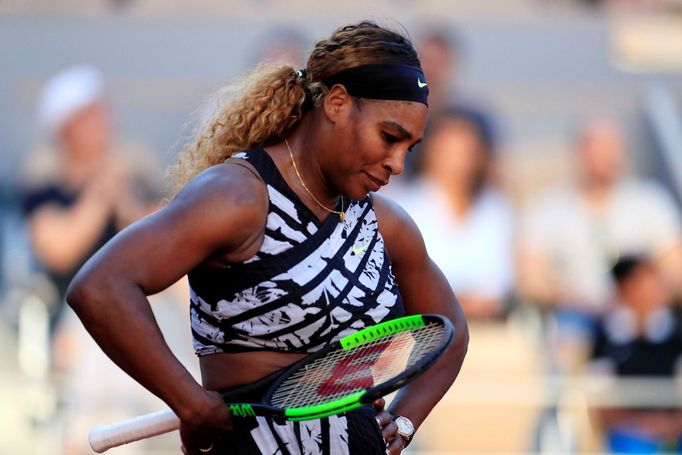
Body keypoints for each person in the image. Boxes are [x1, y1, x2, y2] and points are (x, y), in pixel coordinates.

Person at [66, 21, 469, 455]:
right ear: (336, 103)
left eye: (408, 147)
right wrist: (188, 400)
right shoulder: (237, 196)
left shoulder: (387, 224)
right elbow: (101, 287)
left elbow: (450, 330)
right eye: (388, 137)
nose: (397, 164)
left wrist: (405, 422)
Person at [517, 117, 682, 372]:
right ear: (578, 152)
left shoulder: (650, 204)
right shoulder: (549, 209)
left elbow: (675, 270)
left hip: (642, 315)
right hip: (575, 317)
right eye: (594, 146)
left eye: (610, 146)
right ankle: (567, 411)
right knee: (565, 347)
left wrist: (641, 299)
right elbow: (531, 277)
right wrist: (574, 299)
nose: (602, 156)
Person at [23, 64, 161, 334]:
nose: (103, 124)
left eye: (103, 114)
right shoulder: (45, 187)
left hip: (139, 311)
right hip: (73, 319)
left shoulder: (134, 174)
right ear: (64, 128)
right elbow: (58, 253)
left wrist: (124, 198)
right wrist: (99, 195)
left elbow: (160, 247)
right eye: (89, 117)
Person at [396, 106, 514, 320]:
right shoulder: (404, 205)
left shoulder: (494, 208)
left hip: (484, 324)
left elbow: (498, 282)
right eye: (450, 151)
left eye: (467, 152)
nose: (459, 162)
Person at [587, 254, 682, 453]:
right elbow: (600, 403)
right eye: (646, 281)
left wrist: (669, 426)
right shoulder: (604, 337)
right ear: (626, 287)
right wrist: (641, 425)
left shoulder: (676, 335)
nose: (655, 288)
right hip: (627, 438)